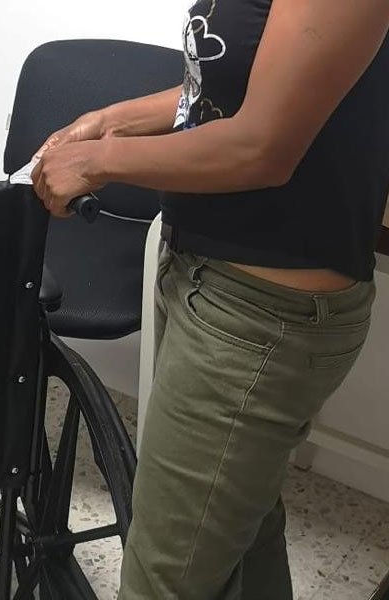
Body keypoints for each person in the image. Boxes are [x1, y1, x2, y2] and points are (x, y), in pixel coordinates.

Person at [32, 1, 389, 598]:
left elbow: (261, 146)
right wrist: (108, 120)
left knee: (163, 579)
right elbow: (226, 91)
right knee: (240, 536)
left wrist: (100, 160)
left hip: (260, 313)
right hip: (205, 274)